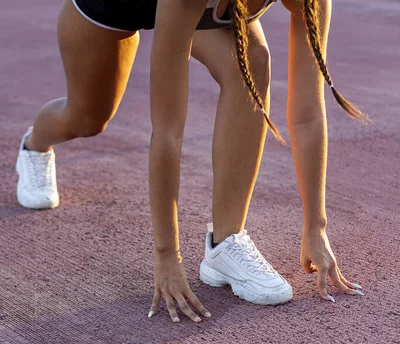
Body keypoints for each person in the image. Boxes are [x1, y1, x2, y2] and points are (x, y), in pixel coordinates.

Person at [15, 0, 365, 324]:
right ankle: (35, 146)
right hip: (116, 6)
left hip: (197, 9)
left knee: (252, 61)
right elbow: (168, 133)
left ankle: (226, 243)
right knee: (86, 118)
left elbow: (306, 115)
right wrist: (167, 255)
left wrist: (315, 228)